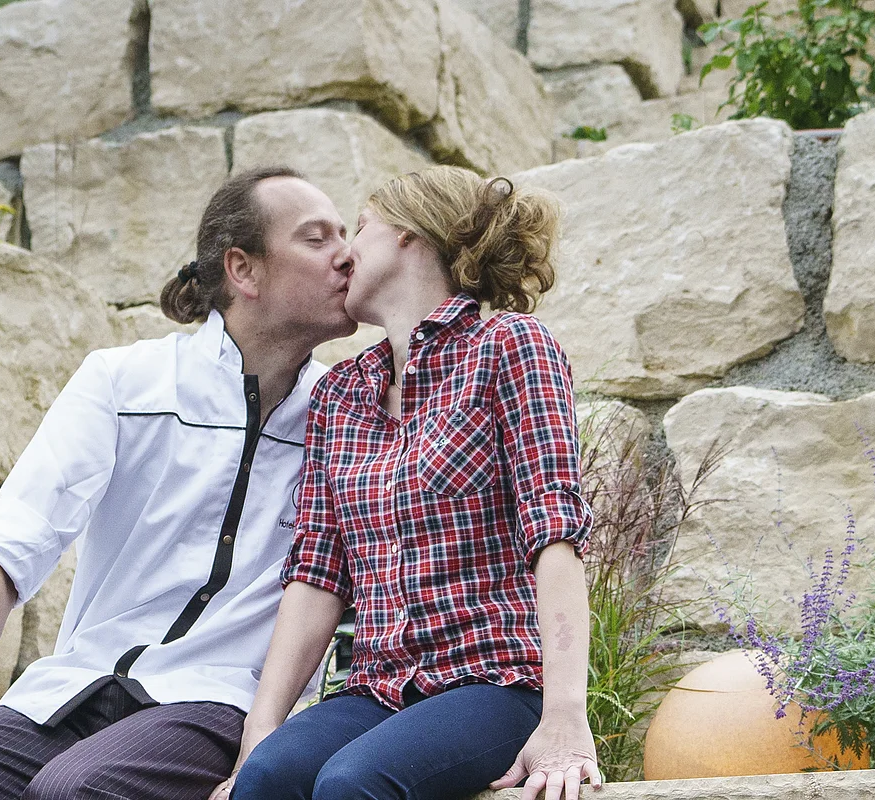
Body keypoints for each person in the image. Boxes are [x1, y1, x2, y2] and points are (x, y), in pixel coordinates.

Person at [0, 167, 361, 800]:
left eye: (347, 235)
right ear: (242, 270)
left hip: (221, 701)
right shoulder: (125, 382)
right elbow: (7, 547)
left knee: (76, 790)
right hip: (71, 691)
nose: (347, 255)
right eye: (316, 238)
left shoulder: (347, 416)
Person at [216, 166, 599, 800]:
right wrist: (259, 735)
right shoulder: (341, 393)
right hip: (378, 689)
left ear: (407, 235)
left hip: (497, 681)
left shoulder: (508, 346)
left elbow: (554, 532)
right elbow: (317, 572)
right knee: (265, 779)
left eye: (360, 227)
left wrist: (564, 717)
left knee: (352, 784)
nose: (345, 253)